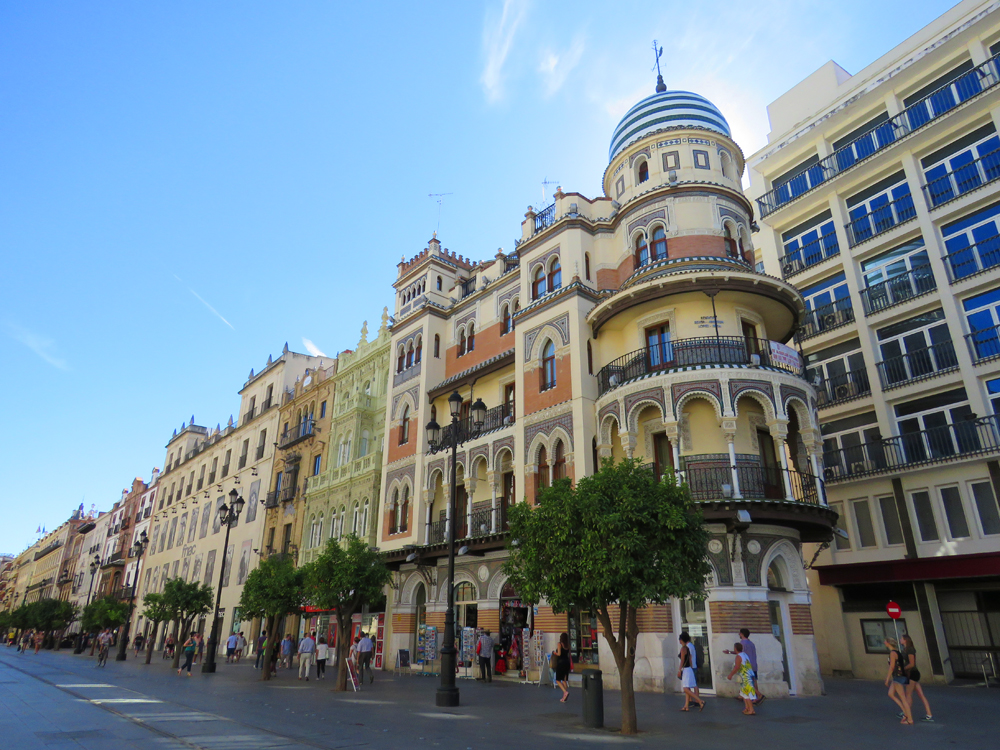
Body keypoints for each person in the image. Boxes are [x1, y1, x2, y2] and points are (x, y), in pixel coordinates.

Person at [724, 628, 765, 705]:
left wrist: (729, 652)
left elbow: (739, 653)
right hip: (753, 664)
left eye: (739, 633)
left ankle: (756, 697)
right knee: (753, 680)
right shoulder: (751, 643)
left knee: (748, 682)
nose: (739, 634)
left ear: (742, 634)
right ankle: (747, 696)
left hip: (747, 666)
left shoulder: (743, 643)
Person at [900, 634, 934, 722]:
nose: (900, 640)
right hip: (911, 673)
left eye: (902, 639)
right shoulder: (905, 649)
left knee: (908, 694)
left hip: (912, 673)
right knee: (920, 694)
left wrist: (903, 669)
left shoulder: (910, 649)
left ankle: (906, 713)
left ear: (905, 640)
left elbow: (912, 663)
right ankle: (929, 714)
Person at [884, 637, 913, 725]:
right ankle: (905, 712)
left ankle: (909, 719)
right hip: (900, 676)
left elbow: (892, 666)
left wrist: (887, 678)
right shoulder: (897, 652)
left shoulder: (893, 653)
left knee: (903, 698)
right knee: (890, 693)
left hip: (898, 676)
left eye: (885, 641)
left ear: (888, 643)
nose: (884, 642)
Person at [727, 642, 757, 716]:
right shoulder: (744, 654)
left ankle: (751, 710)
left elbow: (737, 667)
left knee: (747, 694)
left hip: (745, 677)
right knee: (743, 693)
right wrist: (730, 652)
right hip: (748, 675)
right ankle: (747, 708)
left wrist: (730, 675)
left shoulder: (738, 657)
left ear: (735, 648)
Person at [677, 632, 705, 711]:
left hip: (686, 669)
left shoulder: (683, 649)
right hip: (690, 668)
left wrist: (679, 670)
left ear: (682, 640)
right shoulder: (688, 648)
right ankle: (686, 706)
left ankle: (700, 701)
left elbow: (682, 660)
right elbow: (690, 659)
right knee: (688, 687)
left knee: (686, 688)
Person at [554, 632, 571, 702]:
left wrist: (554, 653)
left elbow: (559, 654)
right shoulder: (568, 645)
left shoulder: (559, 644)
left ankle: (565, 692)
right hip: (567, 663)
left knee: (557, 680)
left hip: (561, 663)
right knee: (564, 680)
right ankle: (564, 696)